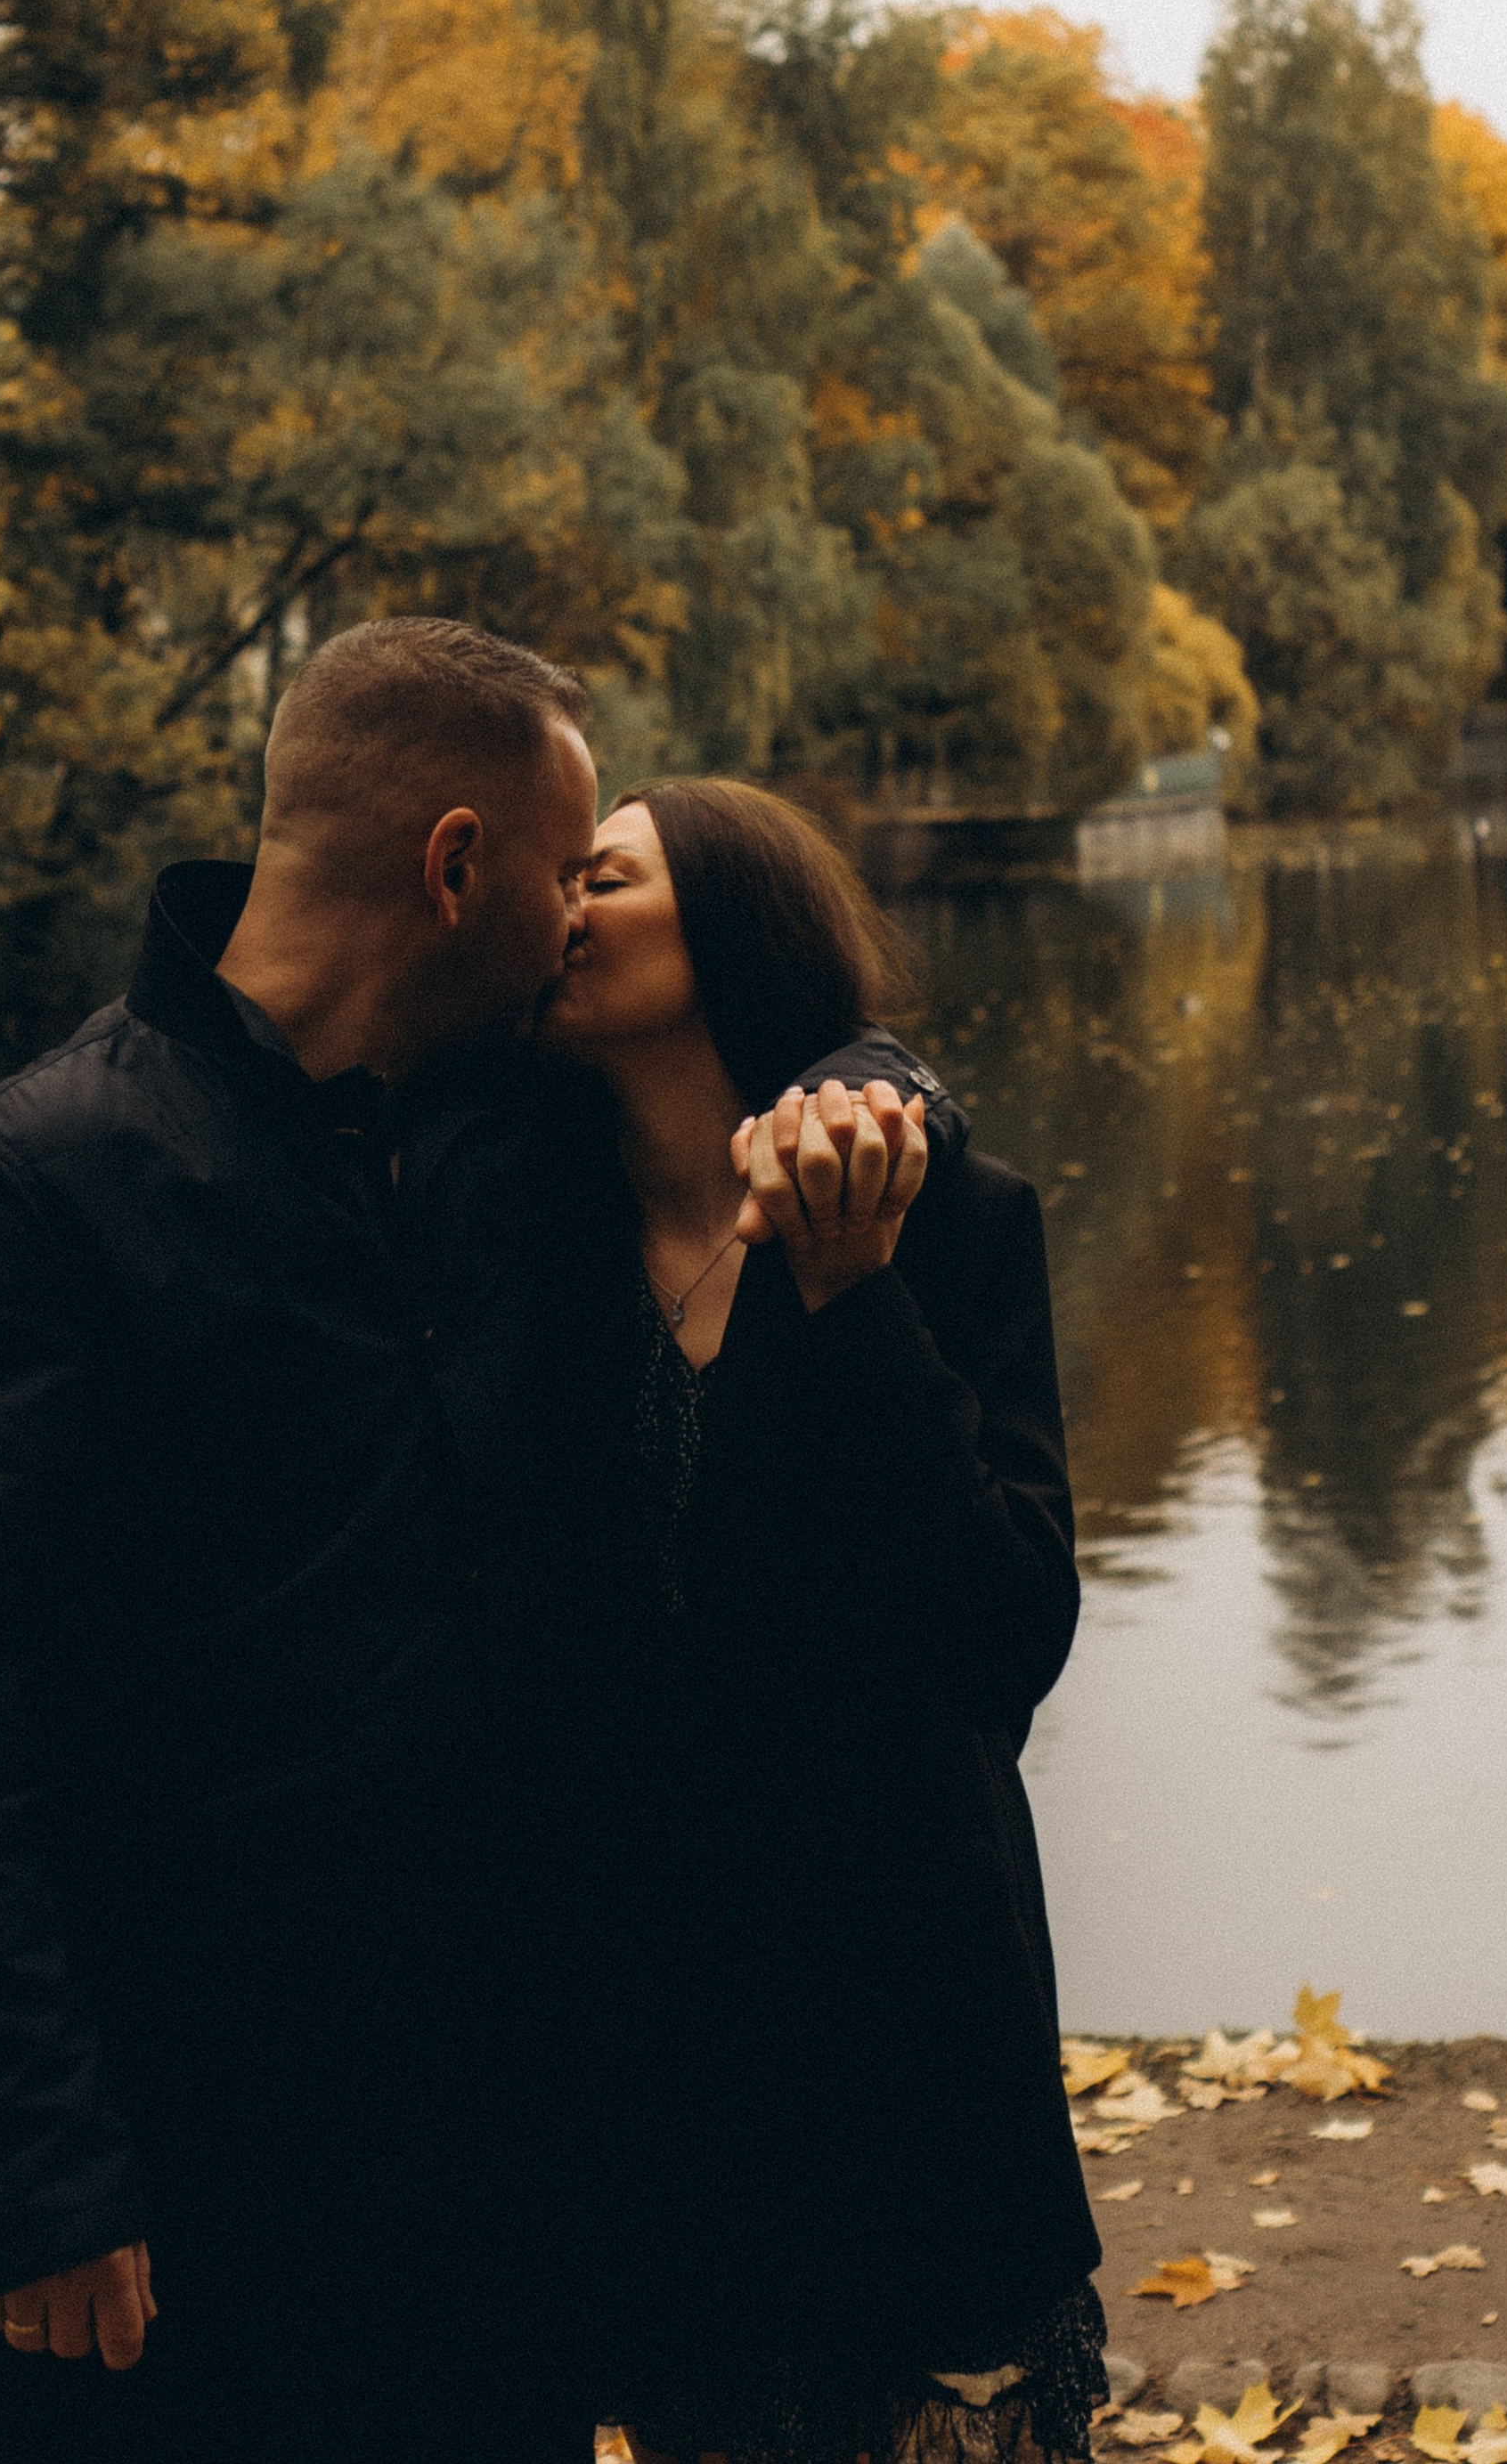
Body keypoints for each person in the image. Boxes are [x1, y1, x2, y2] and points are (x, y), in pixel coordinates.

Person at [0, 617, 615, 2463]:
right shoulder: (16, 1194)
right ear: (456, 864)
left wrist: (874, 1067)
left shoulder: (516, 1143)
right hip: (173, 2204)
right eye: (566, 873)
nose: (579, 919)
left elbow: (768, 1026)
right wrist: (30, 2178)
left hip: (490, 2171)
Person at [440, 777, 1105, 2464]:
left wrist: (850, 1292)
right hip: (646, 2047)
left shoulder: (947, 1217)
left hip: (901, 2014)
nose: (563, 907)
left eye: (605, 873)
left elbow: (1008, 1630)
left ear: (731, 925)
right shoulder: (515, 1230)